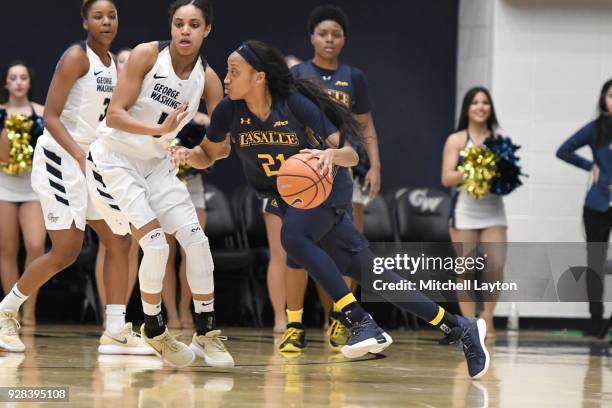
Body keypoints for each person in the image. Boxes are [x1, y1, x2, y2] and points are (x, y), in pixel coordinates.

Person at [171, 40, 490, 379]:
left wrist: (331, 156)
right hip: (284, 198)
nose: (226, 78)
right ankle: (459, 327)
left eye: (234, 72)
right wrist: (192, 156)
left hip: (326, 189)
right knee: (373, 275)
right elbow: (212, 153)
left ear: (259, 77)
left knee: (292, 237)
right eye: (226, 72)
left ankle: (358, 320)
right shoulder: (228, 111)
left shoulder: (295, 104)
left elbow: (351, 154)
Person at [87, 0, 234, 368]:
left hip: (157, 163)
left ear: (207, 30)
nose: (185, 31)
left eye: (194, 24)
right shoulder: (147, 55)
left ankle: (206, 331)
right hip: (115, 158)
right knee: (154, 245)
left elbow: (222, 143)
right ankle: (154, 330)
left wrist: (204, 152)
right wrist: (161, 130)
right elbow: (116, 114)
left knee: (197, 241)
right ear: (171, 27)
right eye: (179, 23)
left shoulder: (209, 78)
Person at [0, 0, 151, 356]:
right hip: (60, 157)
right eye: (98, 16)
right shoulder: (76, 57)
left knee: (119, 240)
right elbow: (51, 116)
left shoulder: (115, 64)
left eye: (111, 15)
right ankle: (6, 310)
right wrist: (81, 155)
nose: (106, 22)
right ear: (85, 21)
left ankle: (115, 330)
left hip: (91, 160)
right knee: (66, 249)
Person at [287, 4, 383, 342]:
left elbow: (366, 124)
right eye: (323, 33)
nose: (329, 39)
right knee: (305, 248)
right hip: (307, 172)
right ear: (312, 38)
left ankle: (342, 318)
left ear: (344, 40)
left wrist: (375, 165)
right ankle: (297, 322)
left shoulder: (354, 77)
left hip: (344, 171)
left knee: (348, 248)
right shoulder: (298, 75)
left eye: (336, 34)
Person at [441, 87, 507, 339]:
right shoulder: (457, 140)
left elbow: (508, 176)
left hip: (493, 210)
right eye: (475, 103)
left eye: (485, 103)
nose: (481, 107)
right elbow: (446, 177)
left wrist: (501, 174)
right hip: (464, 210)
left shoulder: (500, 140)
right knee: (465, 268)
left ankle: (487, 317)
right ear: (467, 108)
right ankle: (469, 324)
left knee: (496, 266)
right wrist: (474, 167)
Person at [556, 79, 612, 337]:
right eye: (611, 96)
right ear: (604, 100)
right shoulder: (595, 129)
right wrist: (590, 166)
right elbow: (564, 150)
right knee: (596, 262)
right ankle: (596, 320)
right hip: (598, 204)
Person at [0, 61, 46, 326]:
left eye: (23, 77)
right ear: (6, 83)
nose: (18, 82)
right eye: (13, 78)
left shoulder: (40, 113)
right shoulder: (0, 114)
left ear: (29, 82)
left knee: (36, 245)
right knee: (7, 249)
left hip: (33, 186)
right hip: (5, 185)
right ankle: (10, 312)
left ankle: (29, 307)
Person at [94, 47, 139, 316]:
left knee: (133, 246)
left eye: (131, 61)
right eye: (121, 60)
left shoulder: (142, 97)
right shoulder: (102, 93)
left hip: (134, 173)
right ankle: (106, 311)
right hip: (105, 170)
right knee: (109, 243)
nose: (126, 64)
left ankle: (120, 312)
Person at [162, 111, 209, 329]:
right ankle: (170, 312)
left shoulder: (200, 120)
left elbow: (212, 152)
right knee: (165, 254)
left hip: (192, 186)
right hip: (162, 185)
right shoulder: (159, 112)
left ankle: (185, 307)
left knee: (192, 251)